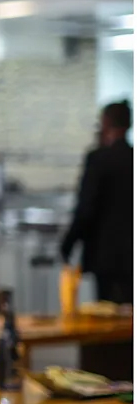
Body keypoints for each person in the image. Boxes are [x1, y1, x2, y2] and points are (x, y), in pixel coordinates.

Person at [61, 100, 134, 304]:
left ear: (106, 123)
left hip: (106, 256)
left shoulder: (98, 159)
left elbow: (86, 209)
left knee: (108, 314)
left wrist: (68, 244)